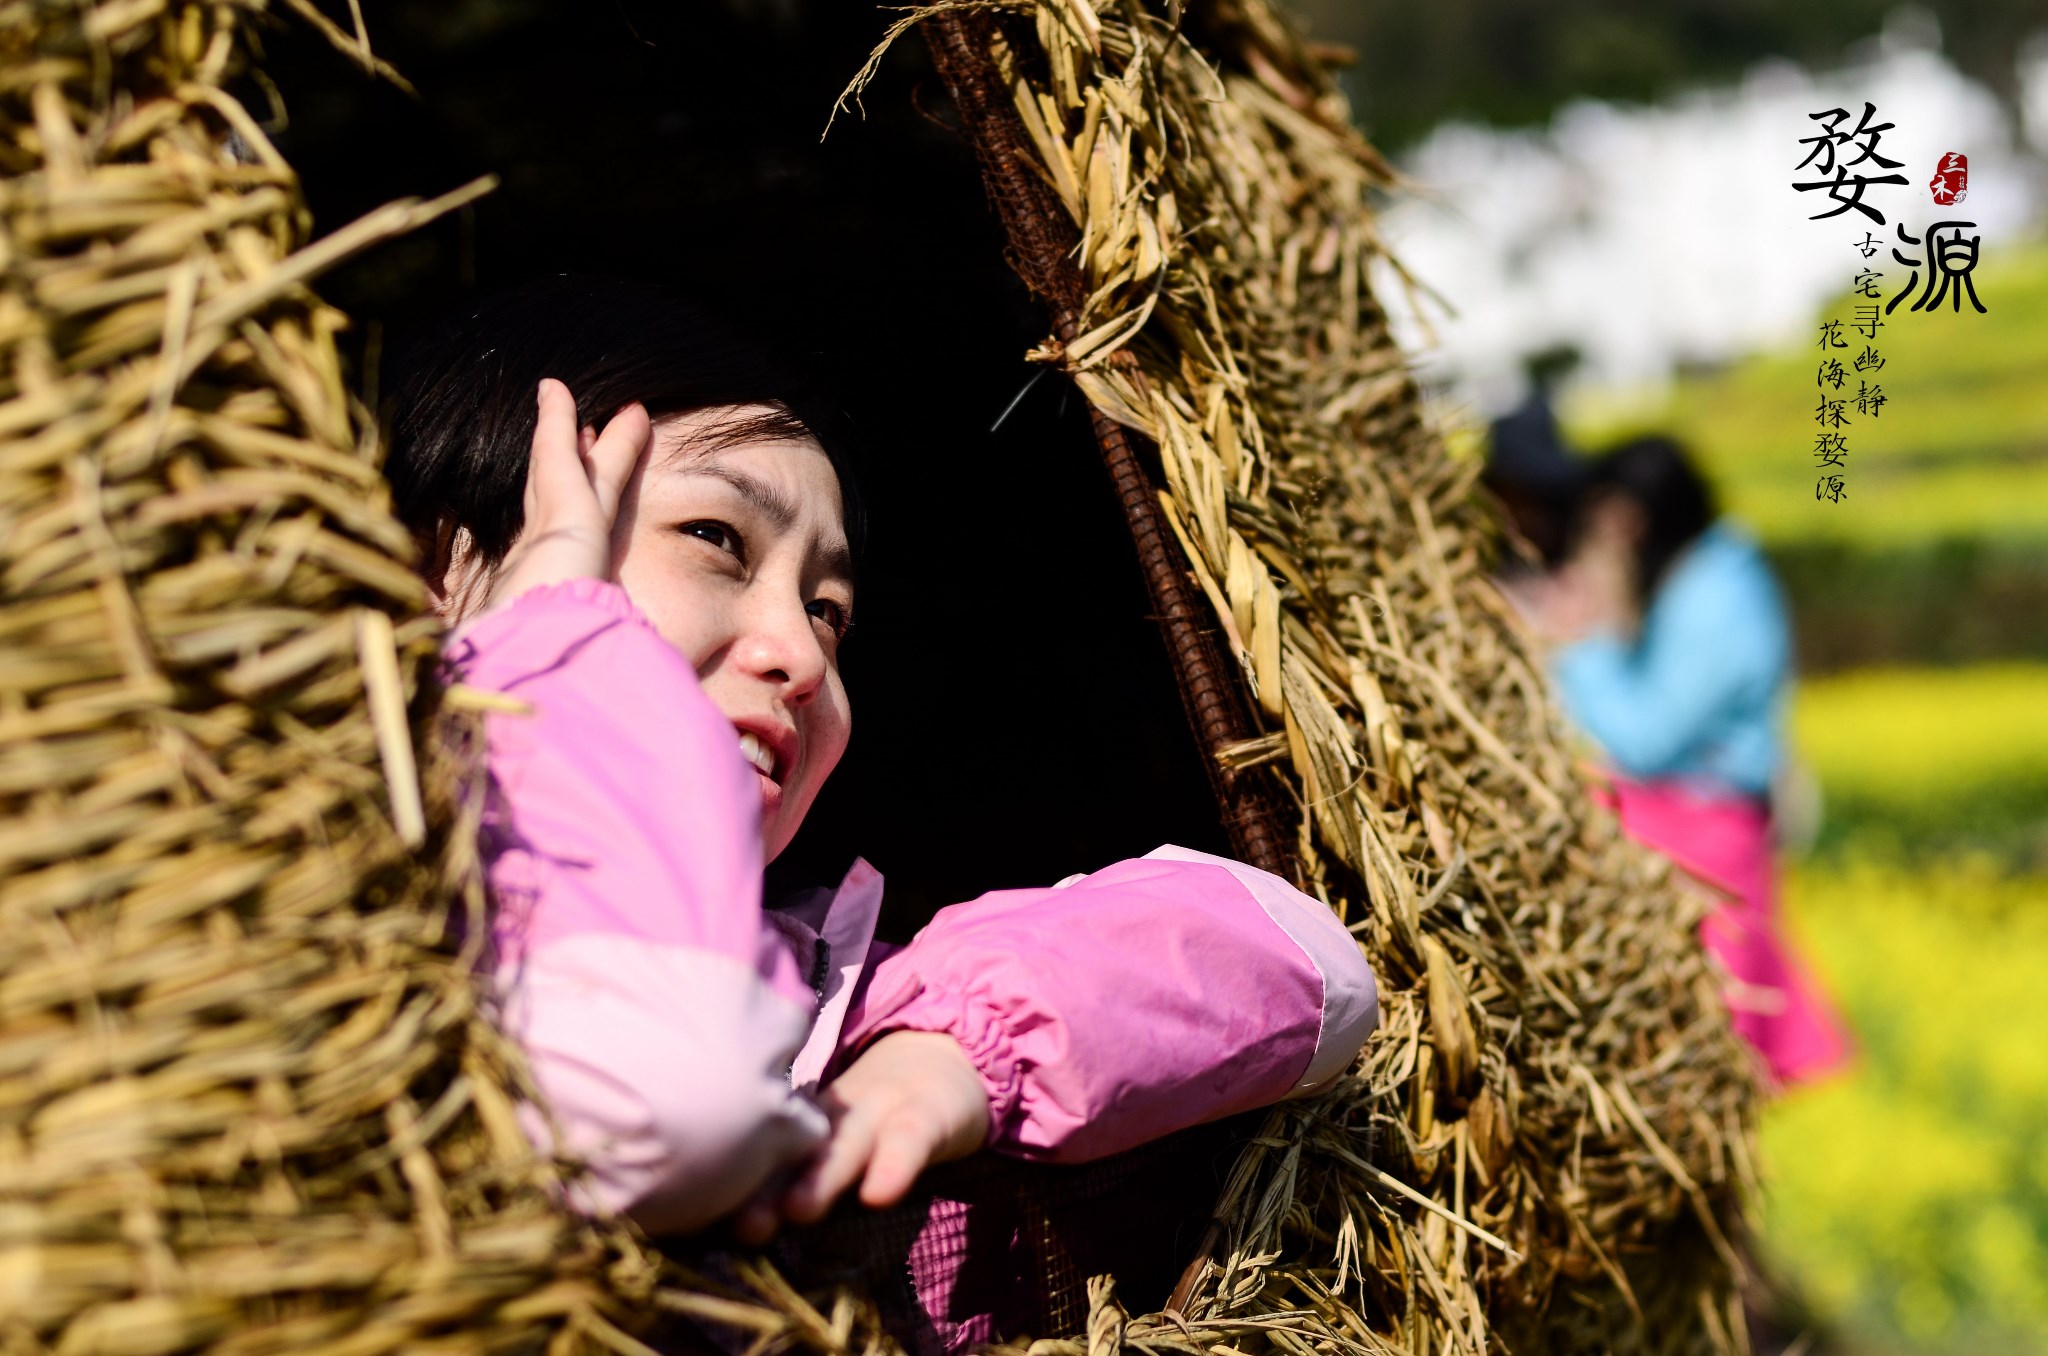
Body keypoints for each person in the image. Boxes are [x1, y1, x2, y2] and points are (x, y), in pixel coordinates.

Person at [385, 277, 1379, 1332]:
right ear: (441, 567)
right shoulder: (314, 940)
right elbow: (656, 1099)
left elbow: (1305, 962)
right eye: (717, 539)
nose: (800, 652)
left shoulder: (826, 1011)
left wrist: (957, 1050)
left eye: (828, 610)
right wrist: (552, 640)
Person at [1513, 435, 1848, 1087]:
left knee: (1706, 1059)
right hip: (1702, 831)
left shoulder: (1713, 598)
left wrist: (1580, 643)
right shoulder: (1715, 575)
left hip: (1702, 839)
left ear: (1629, 520)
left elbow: (1644, 739)